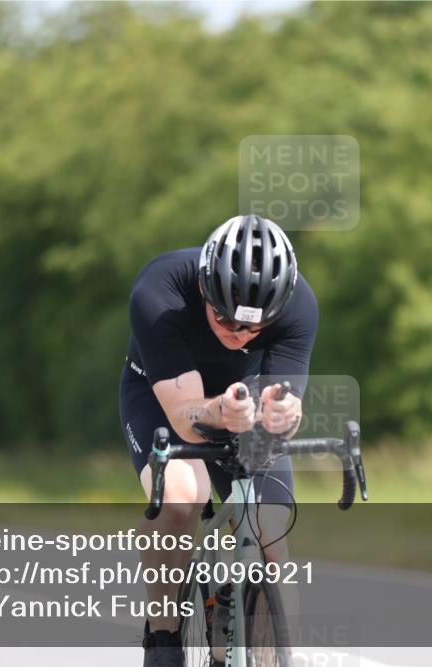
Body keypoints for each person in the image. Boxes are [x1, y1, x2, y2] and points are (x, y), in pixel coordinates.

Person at [120, 215, 318, 666]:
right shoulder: (159, 290)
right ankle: (165, 637)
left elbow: (285, 401)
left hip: (242, 397)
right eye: (226, 318)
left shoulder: (300, 305)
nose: (239, 334)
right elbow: (187, 418)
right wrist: (219, 412)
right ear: (205, 290)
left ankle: (273, 653)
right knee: (181, 497)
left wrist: (284, 412)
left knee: (270, 526)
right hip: (164, 394)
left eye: (255, 328)